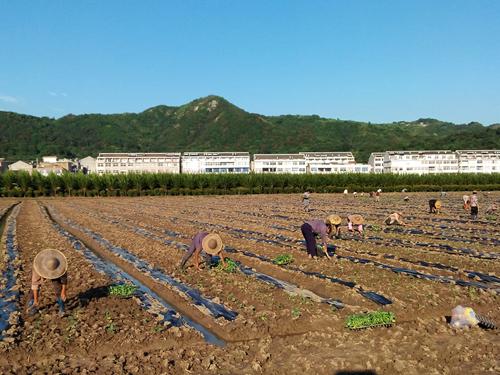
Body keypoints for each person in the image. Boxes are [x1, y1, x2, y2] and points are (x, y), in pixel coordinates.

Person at [28, 249, 68, 317]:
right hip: (42, 270)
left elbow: (64, 280)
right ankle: (33, 305)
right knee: (33, 292)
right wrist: (36, 300)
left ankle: (62, 309)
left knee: (58, 289)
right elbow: (35, 284)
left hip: (55, 271)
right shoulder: (37, 267)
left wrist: (63, 292)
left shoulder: (60, 266)